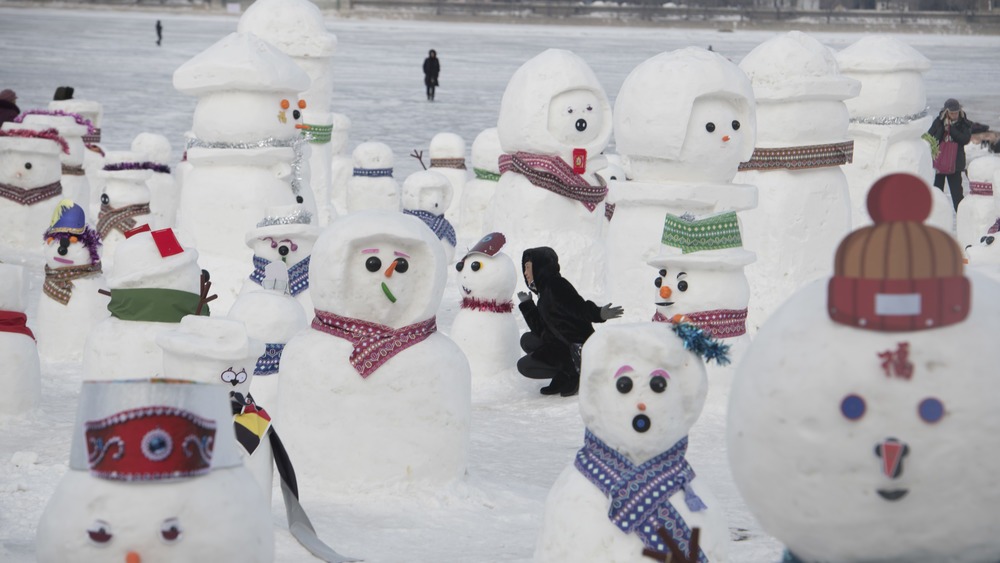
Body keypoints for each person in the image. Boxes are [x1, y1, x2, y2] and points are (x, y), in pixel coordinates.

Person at [516, 247, 623, 397]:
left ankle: (574, 371)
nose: (525, 273)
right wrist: (528, 305)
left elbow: (578, 306)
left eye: (528, 267)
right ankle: (563, 373)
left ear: (540, 266)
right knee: (527, 340)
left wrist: (598, 313)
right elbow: (540, 329)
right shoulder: (543, 292)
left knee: (524, 365)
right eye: (524, 268)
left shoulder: (556, 284)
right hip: (559, 343)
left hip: (575, 346)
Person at [927, 98, 972, 211]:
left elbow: (965, 139)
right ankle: (936, 217)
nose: (954, 115)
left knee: (957, 196)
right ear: (946, 111)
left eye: (956, 112)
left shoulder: (964, 122)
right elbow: (931, 139)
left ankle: (962, 218)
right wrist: (943, 128)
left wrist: (951, 130)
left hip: (955, 164)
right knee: (937, 194)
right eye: (952, 113)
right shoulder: (939, 121)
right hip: (940, 163)